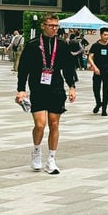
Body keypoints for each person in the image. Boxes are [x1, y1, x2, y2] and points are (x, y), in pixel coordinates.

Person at [16, 14, 78, 174]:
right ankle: (36, 151)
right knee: (40, 124)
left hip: (56, 88)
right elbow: (23, 69)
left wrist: (72, 86)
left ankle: (51, 159)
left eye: (56, 26)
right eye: (51, 25)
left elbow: (68, 68)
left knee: (54, 123)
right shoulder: (33, 44)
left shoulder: (63, 45)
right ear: (43, 26)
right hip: (38, 87)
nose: (54, 28)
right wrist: (21, 90)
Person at [87, 26, 108, 116]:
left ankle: (104, 109)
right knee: (96, 89)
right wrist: (94, 67)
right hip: (97, 71)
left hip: (107, 71)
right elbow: (90, 57)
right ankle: (98, 103)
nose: (106, 37)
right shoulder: (95, 46)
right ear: (100, 35)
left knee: (106, 90)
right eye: (104, 35)